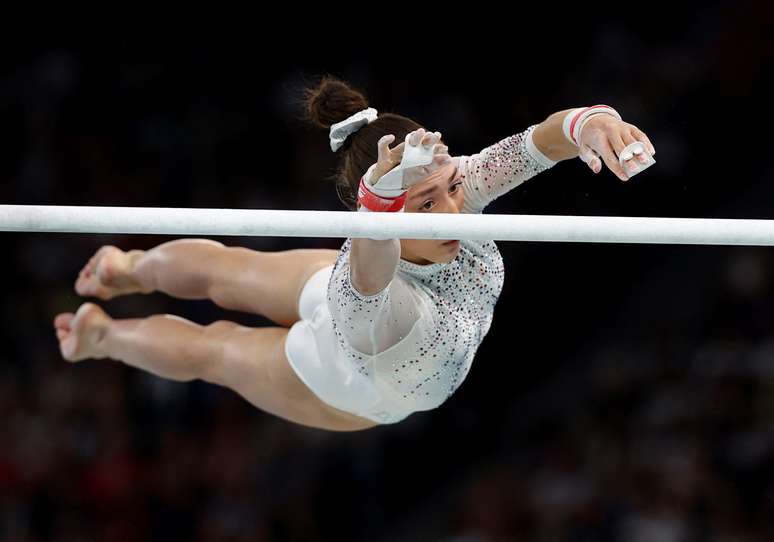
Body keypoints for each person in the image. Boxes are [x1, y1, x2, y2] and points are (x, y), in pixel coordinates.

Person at [53, 77, 656, 431]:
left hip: (362, 351)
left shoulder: (452, 191)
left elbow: (538, 142)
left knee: (230, 272)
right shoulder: (374, 293)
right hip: (342, 369)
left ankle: (121, 274)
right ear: (380, 212)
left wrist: (591, 124)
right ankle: (107, 323)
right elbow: (371, 266)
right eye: (424, 205)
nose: (453, 211)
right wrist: (380, 214)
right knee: (216, 347)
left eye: (450, 189)